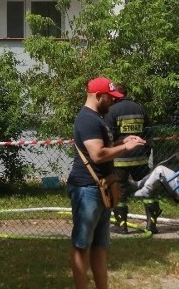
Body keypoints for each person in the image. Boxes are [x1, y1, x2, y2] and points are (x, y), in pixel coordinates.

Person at [68, 76, 147, 289]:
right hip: (87, 190)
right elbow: (98, 154)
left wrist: (123, 140)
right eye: (110, 98)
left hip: (102, 189)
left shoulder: (97, 118)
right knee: (81, 246)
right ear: (98, 96)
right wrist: (125, 148)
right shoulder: (87, 120)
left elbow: (105, 144)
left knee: (100, 247)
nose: (113, 102)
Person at [103, 83, 155, 233]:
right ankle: (152, 224)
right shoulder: (139, 108)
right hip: (140, 158)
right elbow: (148, 133)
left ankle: (121, 225)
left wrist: (109, 155)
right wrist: (145, 152)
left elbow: (108, 136)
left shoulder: (111, 111)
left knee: (119, 192)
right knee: (147, 188)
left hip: (120, 159)